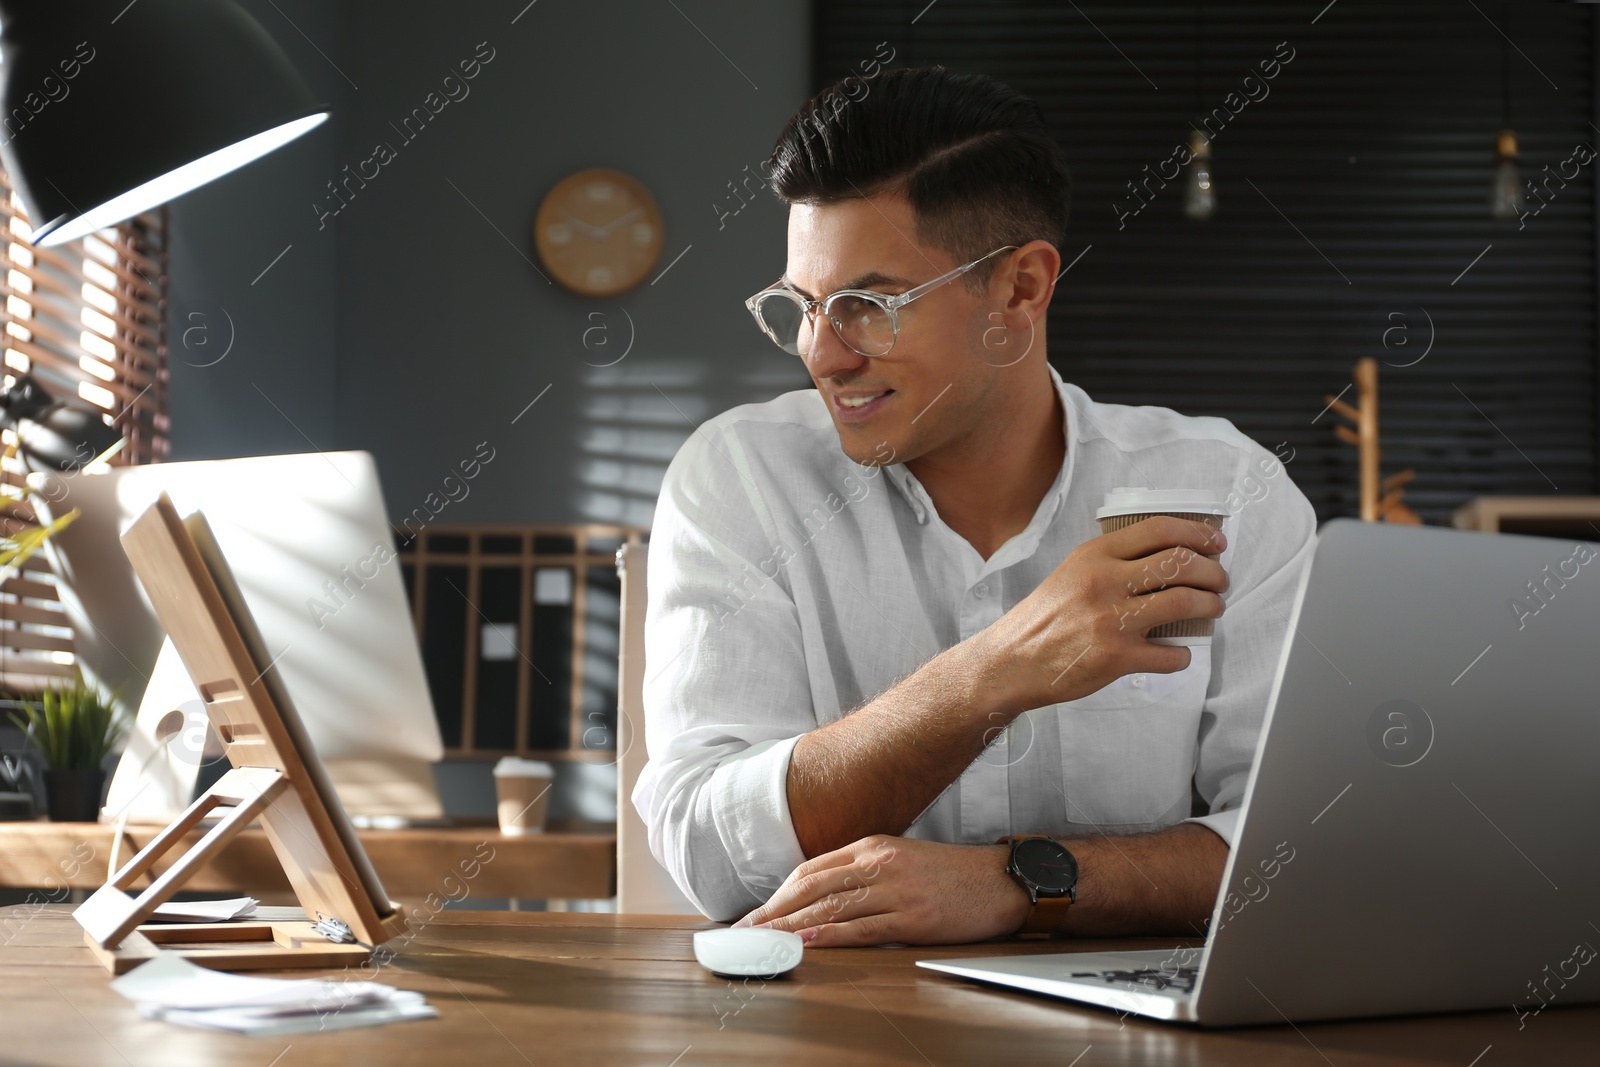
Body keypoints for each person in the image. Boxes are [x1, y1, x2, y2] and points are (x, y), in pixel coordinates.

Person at [633, 66, 1316, 948]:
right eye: (802, 307)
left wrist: (1016, 883)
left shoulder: (1230, 492)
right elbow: (710, 857)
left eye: (868, 306)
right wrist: (998, 669)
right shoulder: (738, 477)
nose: (821, 354)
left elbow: (1292, 850)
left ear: (1020, 291)